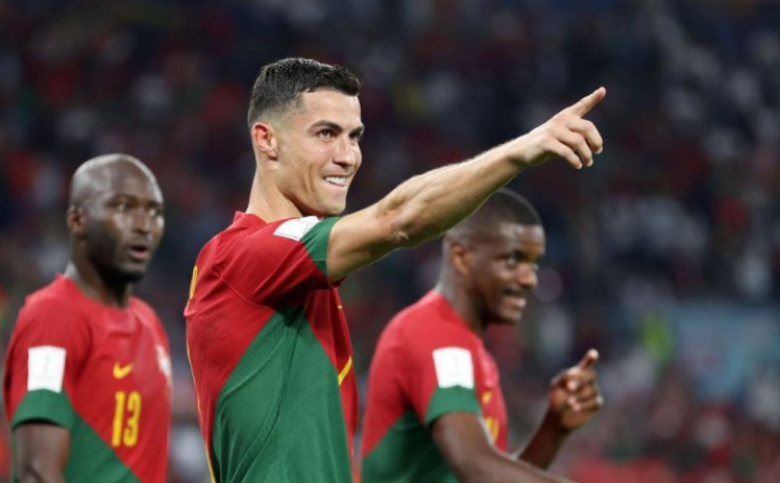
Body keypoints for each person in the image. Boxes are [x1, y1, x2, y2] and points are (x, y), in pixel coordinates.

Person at [184, 57, 605, 483]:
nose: (348, 157)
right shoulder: (239, 257)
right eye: (326, 134)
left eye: (354, 136)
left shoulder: (298, 282)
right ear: (267, 140)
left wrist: (551, 432)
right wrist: (523, 150)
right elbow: (398, 220)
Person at [361, 190, 603, 483]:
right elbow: (475, 466)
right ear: (461, 257)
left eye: (534, 264)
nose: (530, 279)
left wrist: (553, 429)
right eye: (513, 260)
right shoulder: (431, 334)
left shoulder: (473, 356)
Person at [3, 155, 172, 483]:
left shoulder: (150, 323)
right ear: (77, 221)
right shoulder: (52, 319)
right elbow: (36, 471)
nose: (143, 225)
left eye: (155, 212)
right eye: (123, 207)